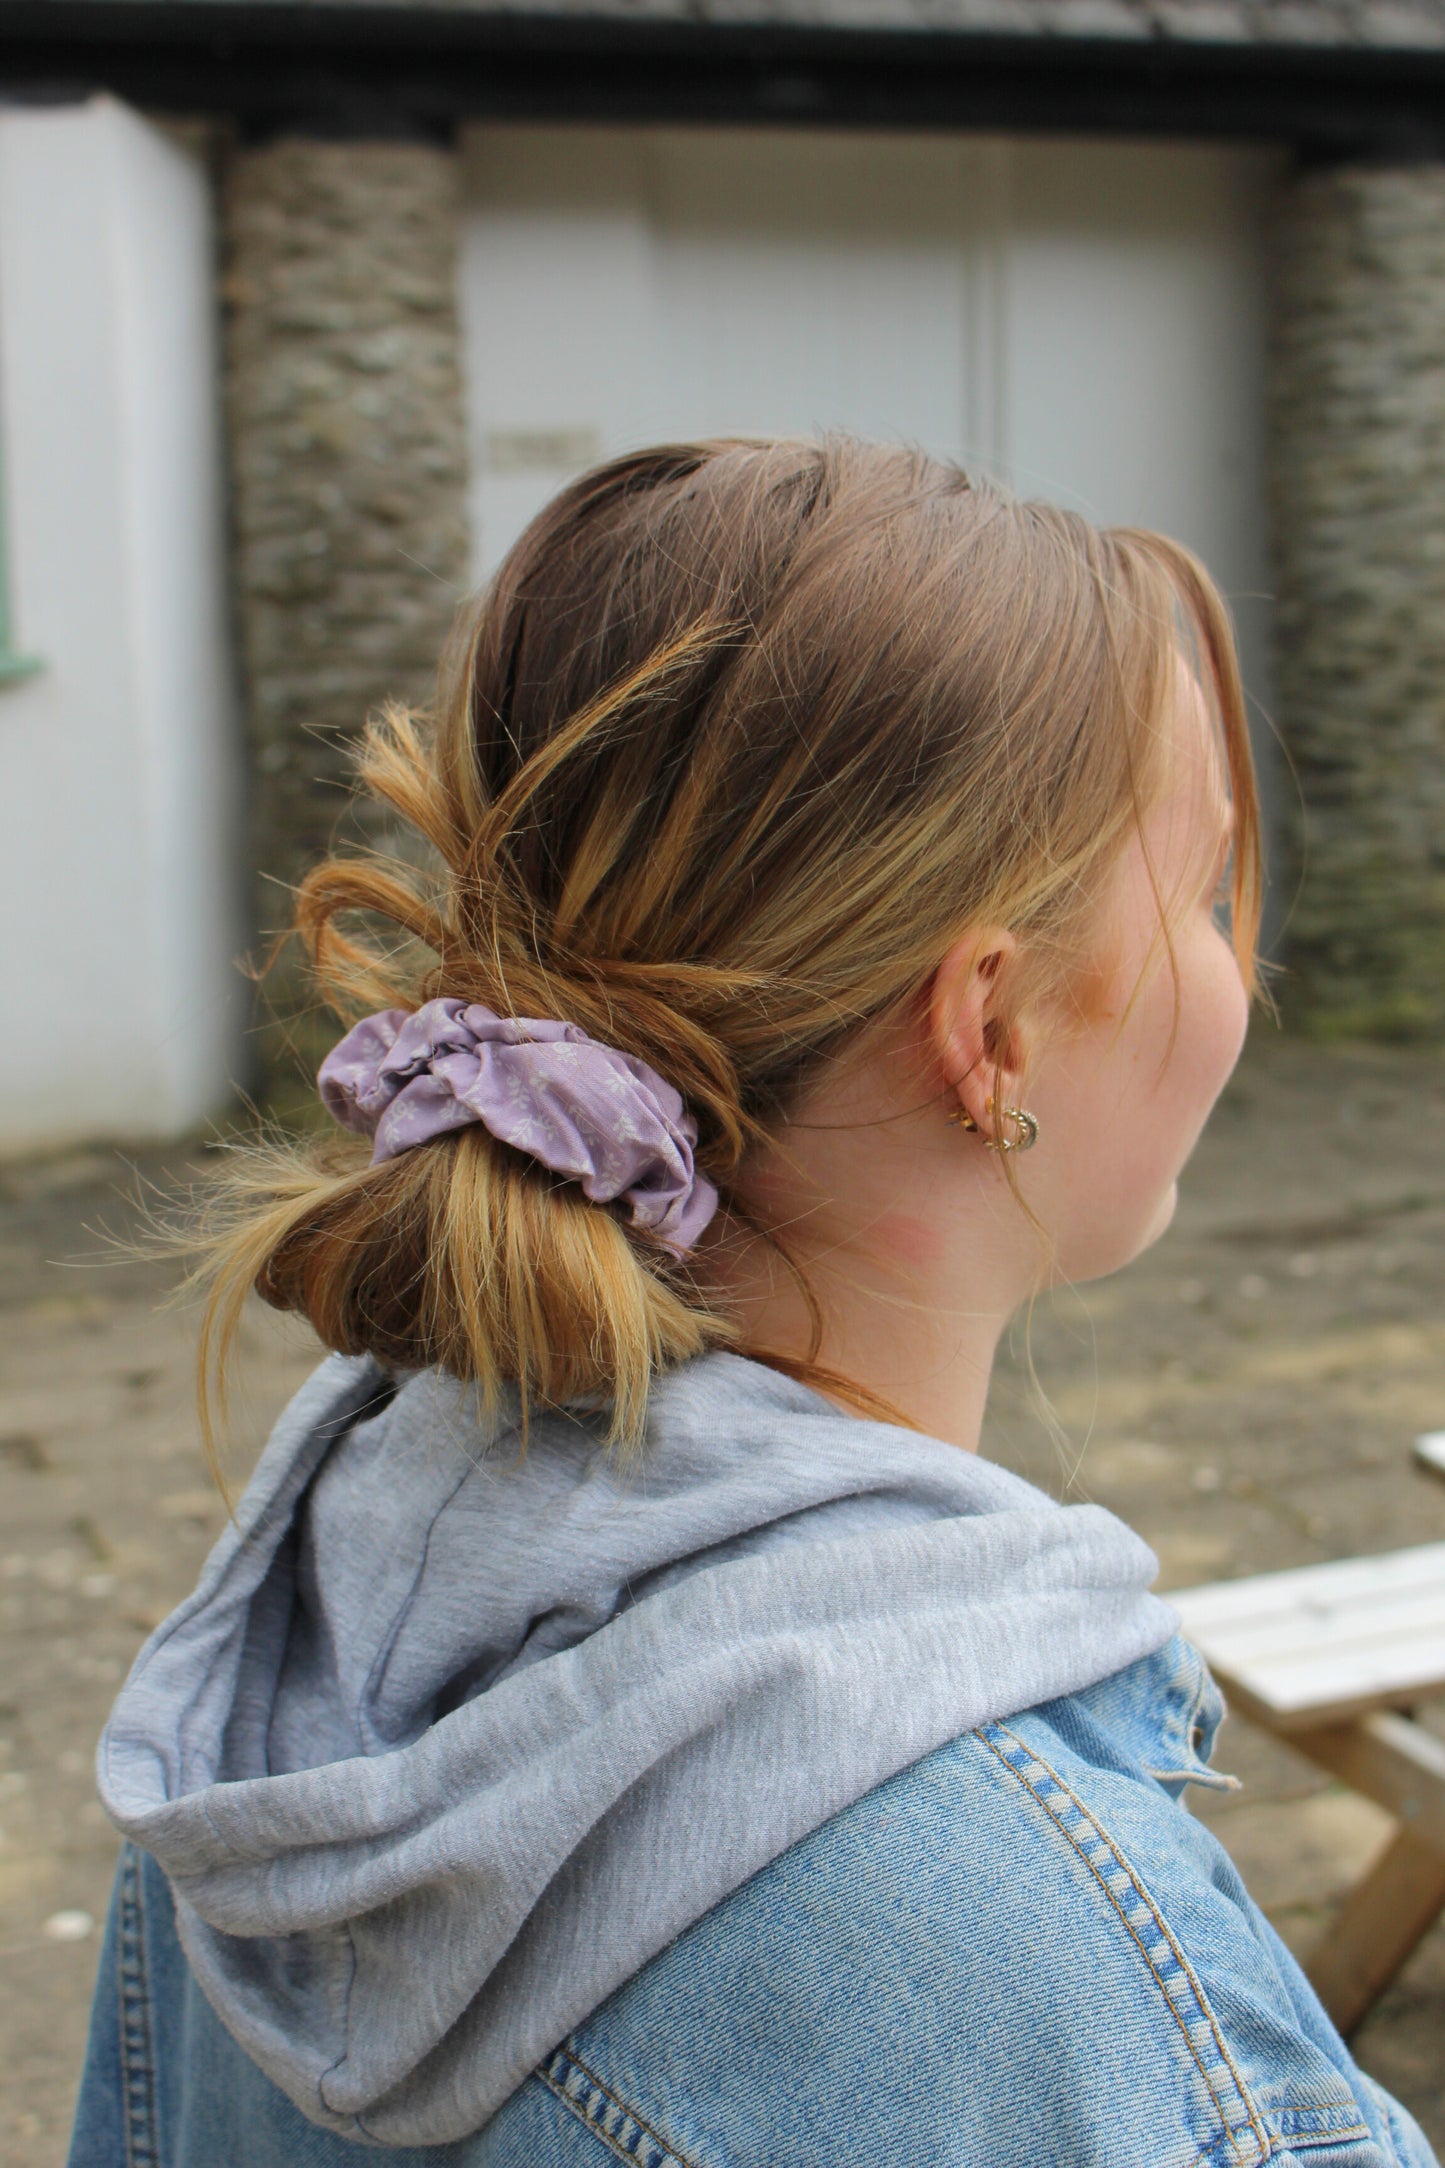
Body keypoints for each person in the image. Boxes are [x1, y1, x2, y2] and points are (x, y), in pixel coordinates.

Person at [68, 437, 1437, 2168]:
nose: (1249, 970)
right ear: (989, 1028)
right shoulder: (1087, 2005)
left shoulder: (278, 1667)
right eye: (1207, 893)